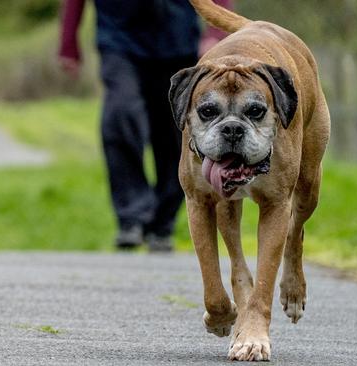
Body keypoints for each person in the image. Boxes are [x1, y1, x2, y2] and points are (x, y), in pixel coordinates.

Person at [59, 0, 231, 252]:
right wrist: (68, 43)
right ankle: (132, 217)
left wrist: (215, 32)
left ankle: (163, 222)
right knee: (120, 113)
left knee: (174, 133)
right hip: (118, 38)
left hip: (177, 39)